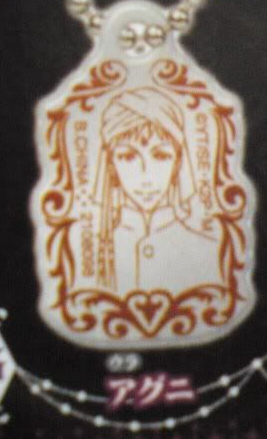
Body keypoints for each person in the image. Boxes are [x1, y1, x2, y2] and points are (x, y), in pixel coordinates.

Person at [94, 87, 219, 295]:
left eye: (161, 156)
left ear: (177, 164)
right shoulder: (89, 251)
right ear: (111, 166)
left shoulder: (210, 251)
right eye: (128, 157)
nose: (146, 175)